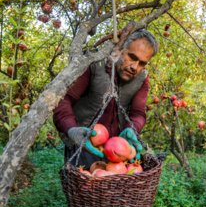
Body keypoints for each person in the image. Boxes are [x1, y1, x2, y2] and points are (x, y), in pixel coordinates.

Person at [53, 29, 159, 168]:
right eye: (132, 57)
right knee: (83, 185)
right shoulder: (94, 63)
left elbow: (138, 113)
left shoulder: (141, 79)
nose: (135, 67)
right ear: (120, 48)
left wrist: (132, 129)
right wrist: (72, 129)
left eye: (142, 63)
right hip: (85, 143)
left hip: (117, 147)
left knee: (111, 188)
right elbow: (64, 99)